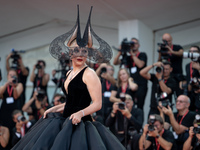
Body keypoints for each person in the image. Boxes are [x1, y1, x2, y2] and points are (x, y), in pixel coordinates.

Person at [12, 6, 125, 150]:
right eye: (76, 50)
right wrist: (55, 108)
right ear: (70, 53)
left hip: (81, 125)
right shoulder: (68, 73)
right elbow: (72, 103)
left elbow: (97, 104)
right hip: (64, 120)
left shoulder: (89, 74)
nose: (80, 54)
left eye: (84, 51)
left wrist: (80, 113)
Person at [113, 38, 148, 110]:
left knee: (139, 105)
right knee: (129, 104)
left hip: (141, 84)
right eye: (131, 44)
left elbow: (140, 65)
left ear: (139, 45)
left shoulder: (142, 54)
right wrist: (120, 52)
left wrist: (132, 54)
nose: (133, 45)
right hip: (131, 83)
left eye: (135, 43)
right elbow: (115, 63)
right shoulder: (128, 57)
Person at [158, 33, 184, 97]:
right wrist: (160, 52)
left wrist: (172, 52)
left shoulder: (177, 47)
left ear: (171, 40)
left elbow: (181, 53)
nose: (167, 42)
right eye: (165, 41)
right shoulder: (163, 49)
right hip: (166, 76)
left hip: (177, 76)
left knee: (178, 94)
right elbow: (159, 61)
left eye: (168, 41)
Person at [185, 46, 200, 111]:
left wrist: (199, 69)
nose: (192, 53)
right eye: (190, 51)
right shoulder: (188, 65)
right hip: (191, 92)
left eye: (194, 52)